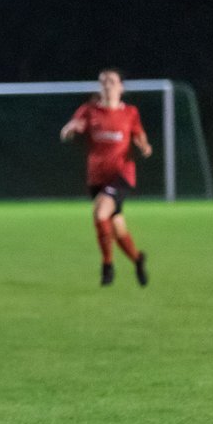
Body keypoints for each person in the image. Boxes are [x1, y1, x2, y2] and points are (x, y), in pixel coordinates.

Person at [60, 68, 152, 286]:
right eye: (103, 82)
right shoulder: (89, 111)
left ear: (121, 86)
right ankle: (137, 260)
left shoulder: (130, 112)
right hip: (97, 177)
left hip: (121, 174)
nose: (107, 85)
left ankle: (107, 265)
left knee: (100, 213)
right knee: (117, 227)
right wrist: (69, 129)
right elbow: (67, 132)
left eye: (112, 81)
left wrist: (144, 145)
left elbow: (138, 133)